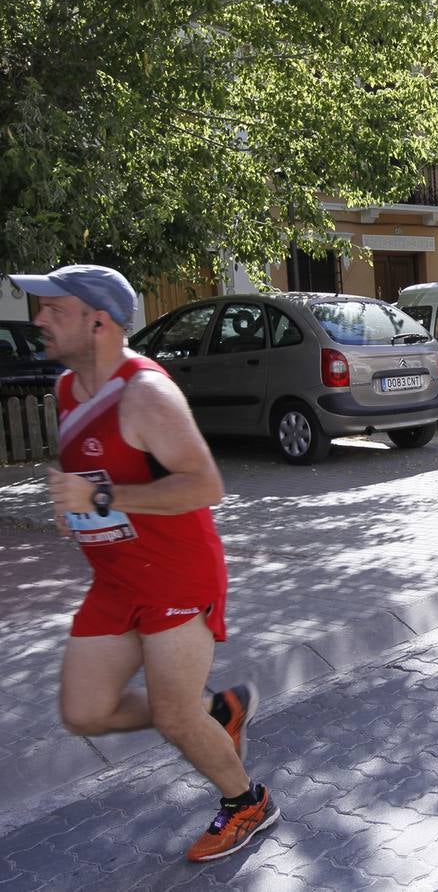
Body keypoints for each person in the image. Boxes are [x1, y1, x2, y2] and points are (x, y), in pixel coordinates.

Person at [9, 265, 277, 862]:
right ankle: (219, 711)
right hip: (117, 579)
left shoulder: (147, 394)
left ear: (97, 321)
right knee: (84, 711)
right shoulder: (67, 390)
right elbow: (101, 475)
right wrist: (77, 509)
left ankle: (248, 802)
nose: (39, 320)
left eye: (54, 309)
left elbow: (206, 485)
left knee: (172, 714)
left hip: (178, 577)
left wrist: (98, 498)